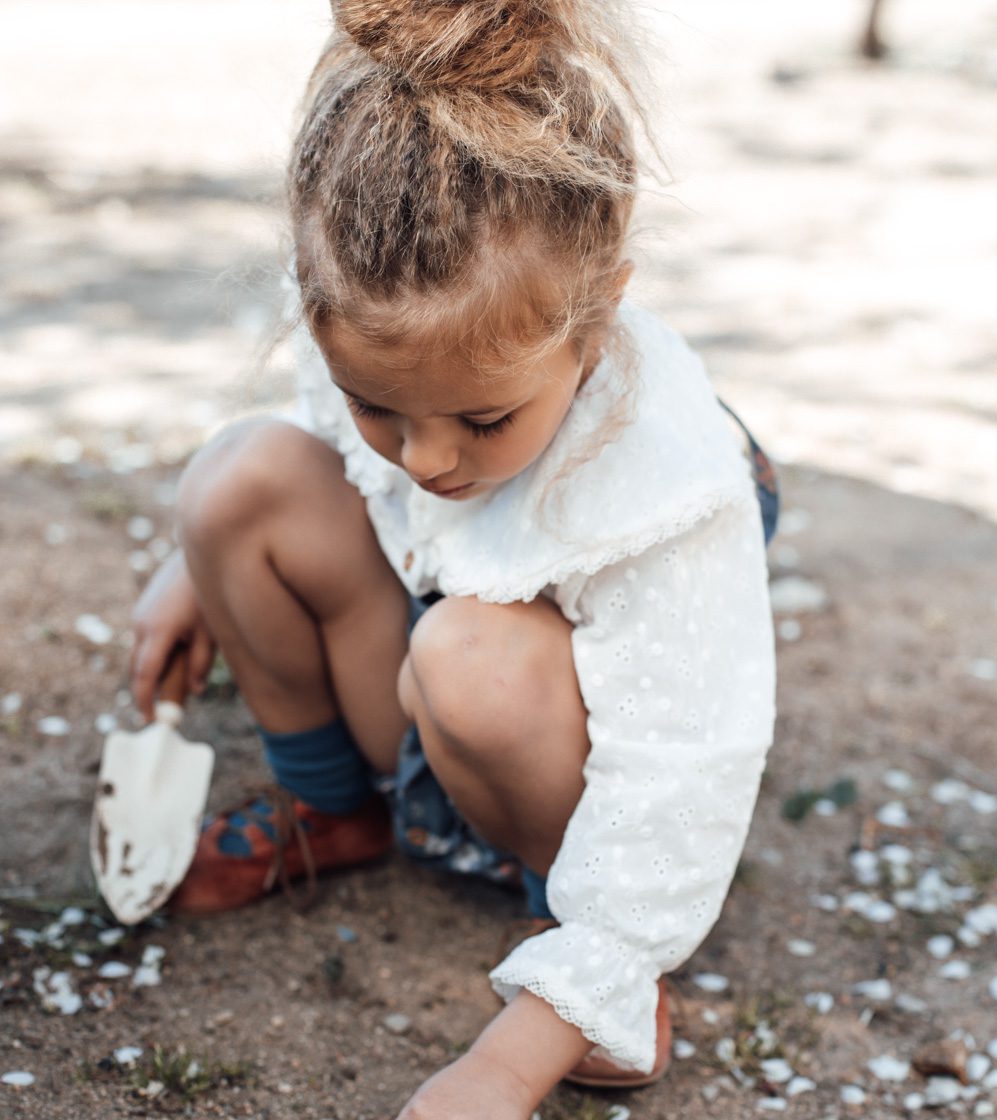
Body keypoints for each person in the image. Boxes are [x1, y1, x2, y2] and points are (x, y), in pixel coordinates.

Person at [129, 1, 778, 1115]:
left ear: (599, 315)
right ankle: (332, 806)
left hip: (536, 758)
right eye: (379, 403)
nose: (427, 459)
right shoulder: (390, 318)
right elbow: (327, 440)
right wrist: (204, 563)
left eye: (483, 421)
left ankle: (574, 945)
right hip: (418, 695)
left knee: (471, 654)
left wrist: (511, 1059)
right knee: (236, 480)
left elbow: (681, 767)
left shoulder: (664, 481)